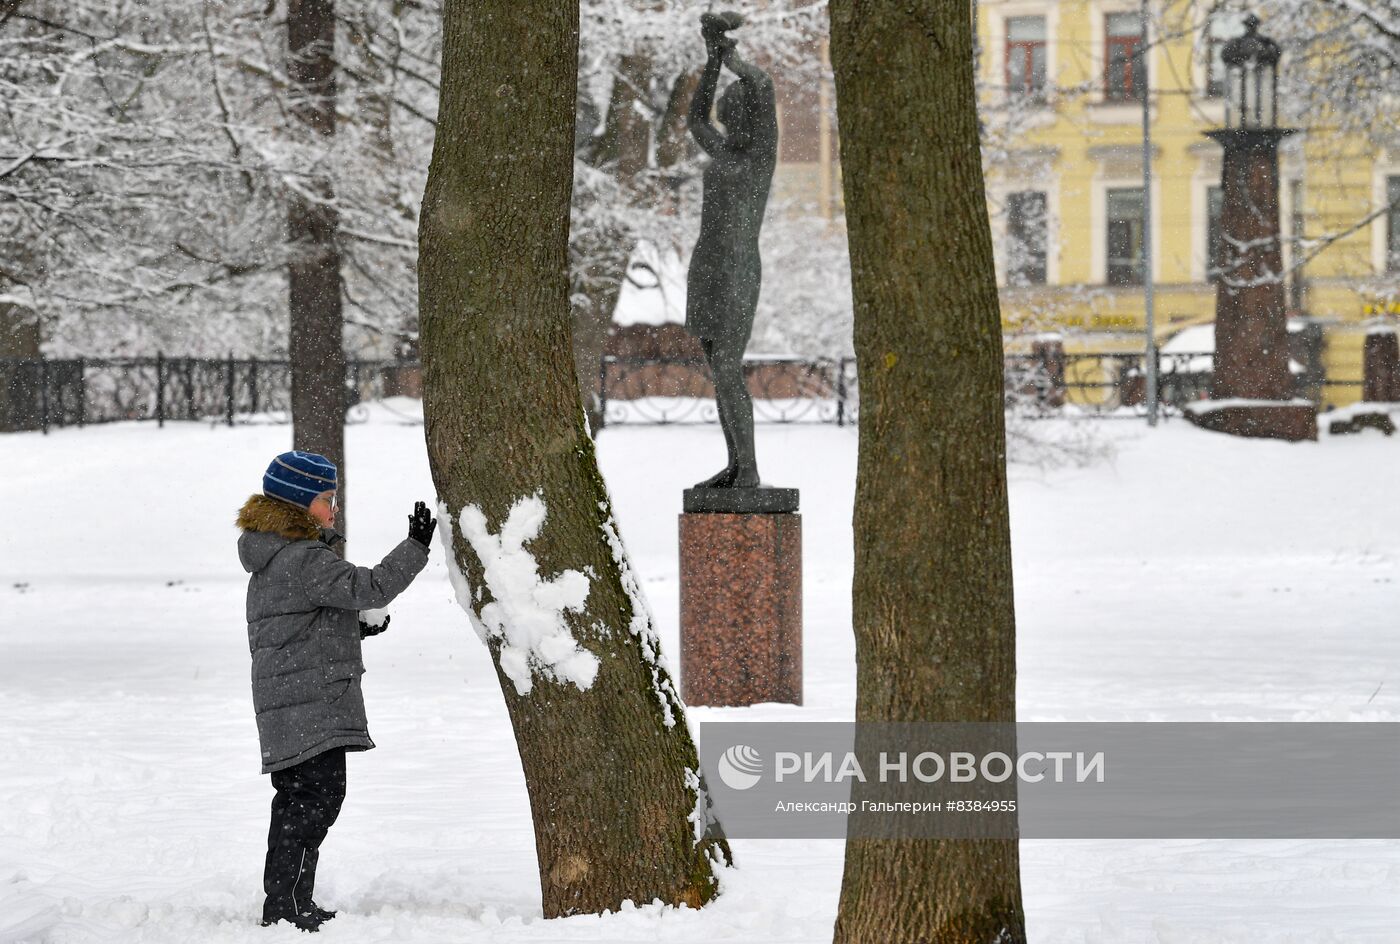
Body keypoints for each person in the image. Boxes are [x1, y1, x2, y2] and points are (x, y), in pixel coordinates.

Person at [236, 450, 437, 932]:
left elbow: (302, 625)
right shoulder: (303, 557)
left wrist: (358, 629)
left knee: (302, 801)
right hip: (308, 705)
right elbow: (368, 587)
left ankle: (289, 899)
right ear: (302, 504)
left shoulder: (275, 554)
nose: (334, 508)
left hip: (294, 702)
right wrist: (415, 546)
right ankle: (285, 904)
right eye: (328, 499)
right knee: (314, 800)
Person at [685, 10, 778, 489]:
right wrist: (711, 64)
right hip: (707, 265)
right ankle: (736, 464)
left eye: (739, 113)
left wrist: (732, 57)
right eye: (729, 113)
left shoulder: (759, 160)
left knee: (728, 365)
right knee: (716, 368)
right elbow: (694, 118)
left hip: (739, 266)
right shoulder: (723, 155)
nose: (730, 119)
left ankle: (751, 467)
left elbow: (762, 84)